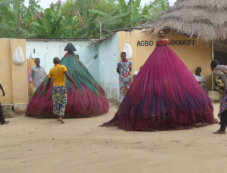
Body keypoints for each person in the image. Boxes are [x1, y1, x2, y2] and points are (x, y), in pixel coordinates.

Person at [102, 30, 214, 130]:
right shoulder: (166, 61)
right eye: (161, 35)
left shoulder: (161, 60)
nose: (161, 35)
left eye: (162, 35)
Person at [45, 57, 77, 124]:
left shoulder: (51, 70)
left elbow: (48, 82)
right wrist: (74, 83)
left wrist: (46, 89)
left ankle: (57, 116)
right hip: (62, 87)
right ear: (59, 61)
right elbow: (68, 76)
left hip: (55, 88)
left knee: (56, 102)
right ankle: (60, 116)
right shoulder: (63, 67)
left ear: (53, 62)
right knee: (63, 101)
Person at [211, 60, 227, 134]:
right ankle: (223, 125)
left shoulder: (216, 70)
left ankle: (222, 129)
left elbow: (223, 79)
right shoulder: (224, 67)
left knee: (223, 110)